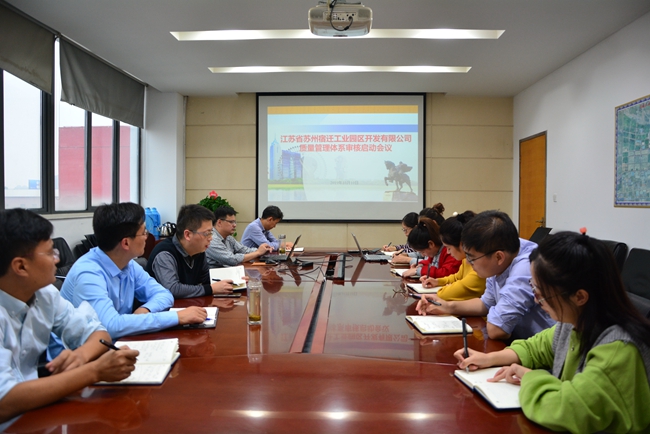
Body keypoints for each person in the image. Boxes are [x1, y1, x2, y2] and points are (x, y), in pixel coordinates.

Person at [454, 231, 650, 433]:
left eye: (541, 293)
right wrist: (490, 358)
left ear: (579, 297)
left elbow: (568, 410)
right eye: (534, 288)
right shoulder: (574, 322)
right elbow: (536, 347)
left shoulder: (618, 349)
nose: (536, 299)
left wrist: (529, 377)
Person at [0, 209, 138, 424]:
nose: (57, 260)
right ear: (21, 266)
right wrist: (94, 371)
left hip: (36, 414)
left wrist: (81, 356)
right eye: (50, 253)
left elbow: (99, 333)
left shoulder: (45, 294)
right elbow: (4, 402)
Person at [58, 203, 207, 341]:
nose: (147, 236)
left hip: (121, 343)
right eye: (143, 232)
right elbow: (110, 326)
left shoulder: (128, 264)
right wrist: (176, 317)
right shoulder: (88, 273)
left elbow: (164, 294)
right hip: (81, 354)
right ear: (126, 243)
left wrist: (145, 309)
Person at [416, 210, 555, 340]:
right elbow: (486, 303)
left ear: (498, 257)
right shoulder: (502, 251)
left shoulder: (525, 268)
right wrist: (447, 306)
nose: (468, 263)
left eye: (472, 258)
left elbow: (497, 329)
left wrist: (495, 310)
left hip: (543, 351)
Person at [145, 204, 234, 298]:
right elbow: (172, 289)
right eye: (206, 233)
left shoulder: (198, 250)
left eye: (211, 232)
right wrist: (210, 289)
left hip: (188, 304)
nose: (210, 238)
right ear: (187, 235)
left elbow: (206, 279)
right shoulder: (165, 254)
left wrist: (235, 280)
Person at [421, 211, 486, 301]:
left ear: (462, 245)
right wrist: (438, 282)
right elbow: (456, 277)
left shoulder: (480, 268)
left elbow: (445, 294)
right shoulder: (466, 260)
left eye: (449, 248)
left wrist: (447, 288)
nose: (448, 252)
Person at [205, 206, 271, 267]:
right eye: (231, 222)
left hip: (229, 271)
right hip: (216, 274)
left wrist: (263, 250)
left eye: (235, 222)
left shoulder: (228, 238)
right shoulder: (212, 239)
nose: (234, 225)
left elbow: (244, 250)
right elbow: (231, 259)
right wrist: (258, 252)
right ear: (219, 222)